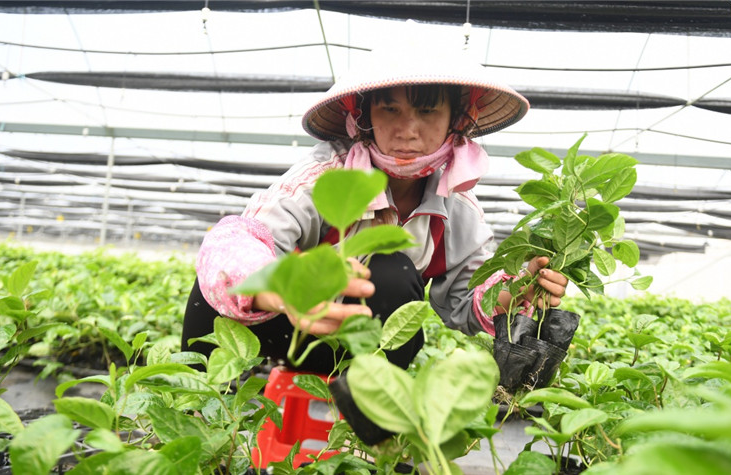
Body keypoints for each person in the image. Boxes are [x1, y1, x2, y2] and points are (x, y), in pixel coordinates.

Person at [181, 31, 569, 375]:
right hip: (280, 331)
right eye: (390, 109)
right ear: (362, 116)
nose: (407, 129)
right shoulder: (324, 177)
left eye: (428, 109)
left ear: (458, 119)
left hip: (355, 351)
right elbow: (234, 243)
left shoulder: (456, 207)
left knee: (390, 269)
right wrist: (285, 288)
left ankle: (358, 416)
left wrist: (514, 292)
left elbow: (465, 298)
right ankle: (206, 404)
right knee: (220, 282)